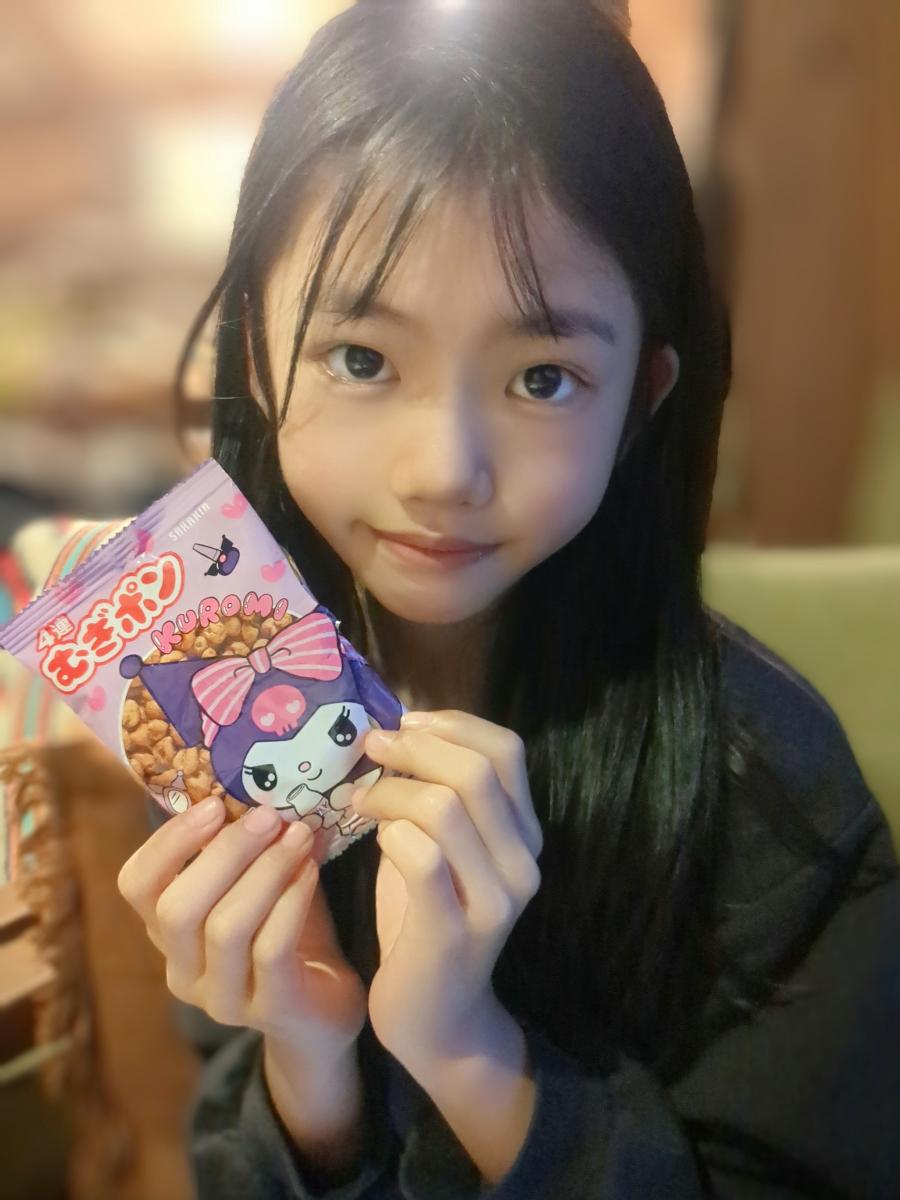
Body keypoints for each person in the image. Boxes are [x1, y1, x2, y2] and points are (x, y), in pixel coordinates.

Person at [115, 0, 900, 1196]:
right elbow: (239, 1115)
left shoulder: (771, 787)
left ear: (641, 399)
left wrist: (470, 1052)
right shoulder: (215, 703)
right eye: (363, 359)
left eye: (543, 377)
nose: (445, 470)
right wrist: (307, 1055)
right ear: (260, 358)